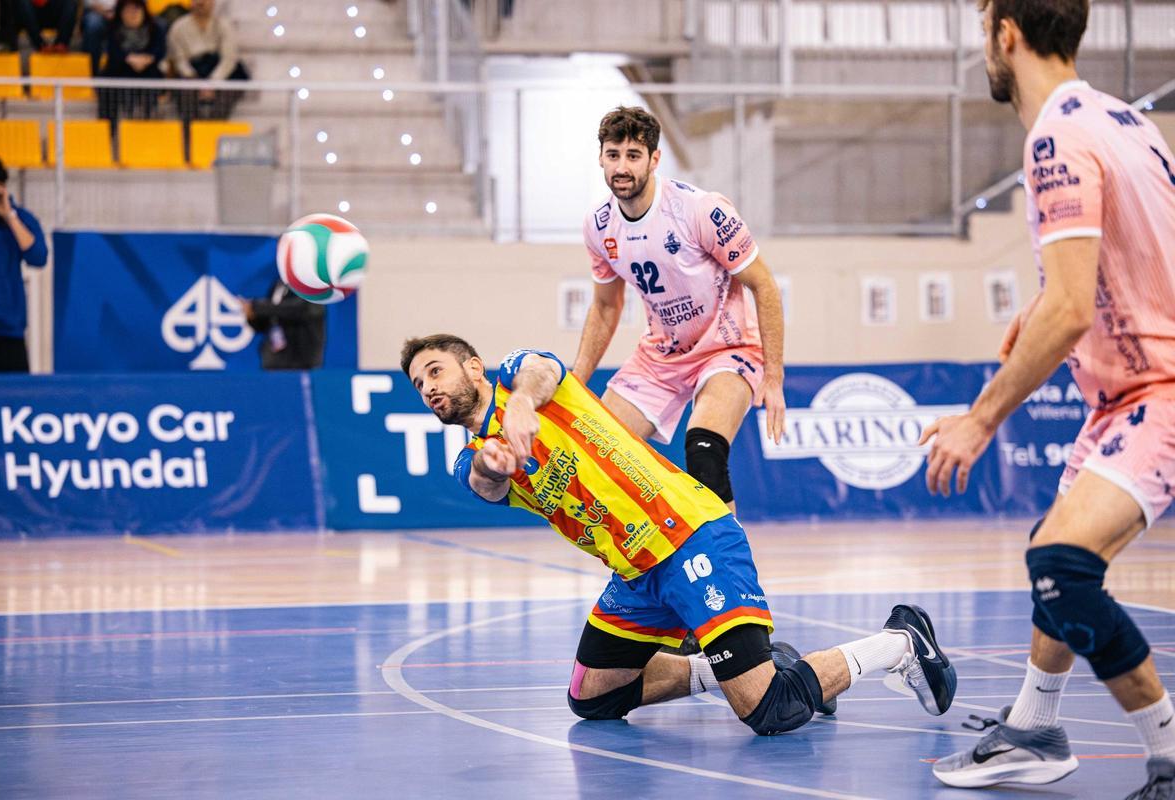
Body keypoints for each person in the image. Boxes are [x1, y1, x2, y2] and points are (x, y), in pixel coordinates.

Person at [401, 334, 959, 736]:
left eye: (435, 371)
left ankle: (900, 642)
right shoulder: (471, 460)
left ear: (473, 367)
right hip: (638, 575)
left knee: (770, 711)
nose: (428, 388)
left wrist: (520, 407)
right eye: (418, 383)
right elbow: (486, 483)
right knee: (593, 697)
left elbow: (542, 373)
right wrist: (496, 461)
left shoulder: (525, 376)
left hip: (690, 536)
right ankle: (731, 665)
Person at [920, 0, 1175, 796]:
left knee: (1061, 564)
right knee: (1051, 542)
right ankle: (1034, 728)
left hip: (1156, 390)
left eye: (984, 30)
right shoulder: (1126, 119)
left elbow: (1069, 310)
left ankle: (1168, 756)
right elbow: (1127, 261)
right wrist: (1053, 304)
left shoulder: (1057, 133)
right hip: (1127, 391)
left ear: (1006, 34)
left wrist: (979, 419)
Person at [573, 106, 786, 521]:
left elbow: (765, 285)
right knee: (599, 458)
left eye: (633, 155)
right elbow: (605, 305)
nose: (621, 166)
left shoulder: (700, 210)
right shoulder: (598, 225)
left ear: (654, 160)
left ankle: (729, 571)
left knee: (703, 452)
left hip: (728, 347)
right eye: (613, 154)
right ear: (600, 157)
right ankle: (648, 567)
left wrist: (774, 376)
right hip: (662, 355)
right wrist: (576, 382)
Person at [0, 155, 48, 372]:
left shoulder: (20, 218)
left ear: (3, 187)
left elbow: (38, 257)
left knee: (13, 397)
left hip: (7, 333)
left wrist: (9, 215)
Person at [166, 0, 247, 122]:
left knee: (233, 87)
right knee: (183, 93)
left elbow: (229, 58)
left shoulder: (224, 25)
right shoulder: (179, 27)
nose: (201, 3)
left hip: (219, 71)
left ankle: (215, 128)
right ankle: (192, 130)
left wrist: (213, 82)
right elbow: (179, 59)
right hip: (192, 72)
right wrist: (194, 80)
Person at [97, 0, 165, 122]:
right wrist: (129, 58)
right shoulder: (112, 28)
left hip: (148, 69)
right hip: (120, 70)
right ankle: (109, 128)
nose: (133, 14)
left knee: (154, 76)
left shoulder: (155, 28)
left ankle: (149, 121)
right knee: (106, 78)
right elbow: (113, 53)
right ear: (120, 13)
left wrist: (146, 59)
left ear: (144, 11)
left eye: (136, 10)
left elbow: (159, 51)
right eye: (128, 11)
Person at [242, 279, 325, 370]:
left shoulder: (311, 285)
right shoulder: (278, 284)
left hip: (301, 363)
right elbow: (267, 322)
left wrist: (256, 307)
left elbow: (298, 309)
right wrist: (251, 316)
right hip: (274, 362)